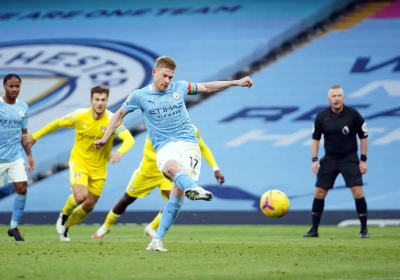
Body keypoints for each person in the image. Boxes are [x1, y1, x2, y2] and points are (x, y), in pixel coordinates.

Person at [94, 56, 252, 251]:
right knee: (170, 167)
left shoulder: (180, 87)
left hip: (188, 144)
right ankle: (195, 188)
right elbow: (118, 115)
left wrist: (235, 82)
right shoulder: (139, 96)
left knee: (177, 195)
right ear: (154, 73)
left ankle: (156, 241)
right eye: (164, 76)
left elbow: (208, 87)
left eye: (170, 77)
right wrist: (105, 138)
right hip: (164, 145)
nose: (167, 80)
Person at [23, 85, 135, 241]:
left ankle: (66, 227)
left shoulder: (112, 119)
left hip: (100, 168)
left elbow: (129, 139)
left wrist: (119, 152)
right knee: (81, 196)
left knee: (89, 206)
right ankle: (64, 214)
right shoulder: (79, 115)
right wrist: (35, 136)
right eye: (97, 99)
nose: (100, 103)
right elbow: (57, 123)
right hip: (80, 162)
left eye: (103, 100)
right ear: (91, 101)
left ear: (107, 101)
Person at [92, 124, 225, 239]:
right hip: (147, 172)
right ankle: (105, 226)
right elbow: (148, 153)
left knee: (174, 200)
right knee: (126, 200)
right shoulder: (156, 130)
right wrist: (169, 158)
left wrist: (216, 168)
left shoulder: (191, 130)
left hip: (168, 173)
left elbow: (202, 147)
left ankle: (151, 227)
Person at [302, 85, 369, 238]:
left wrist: (363, 160)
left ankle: (364, 230)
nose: (337, 98)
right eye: (334, 96)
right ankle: (314, 230)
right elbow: (315, 139)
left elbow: (364, 137)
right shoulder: (321, 116)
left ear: (344, 98)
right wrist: (314, 160)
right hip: (330, 158)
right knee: (319, 192)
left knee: (357, 191)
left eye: (339, 96)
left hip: (349, 158)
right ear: (329, 99)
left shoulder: (353, 115)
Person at [0, 73, 35, 241]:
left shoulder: (23, 107)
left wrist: (29, 155)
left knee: (22, 189)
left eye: (17, 86)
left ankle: (13, 227)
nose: (14, 89)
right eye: (11, 86)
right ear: (4, 87)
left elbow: (24, 134)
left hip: (15, 156)